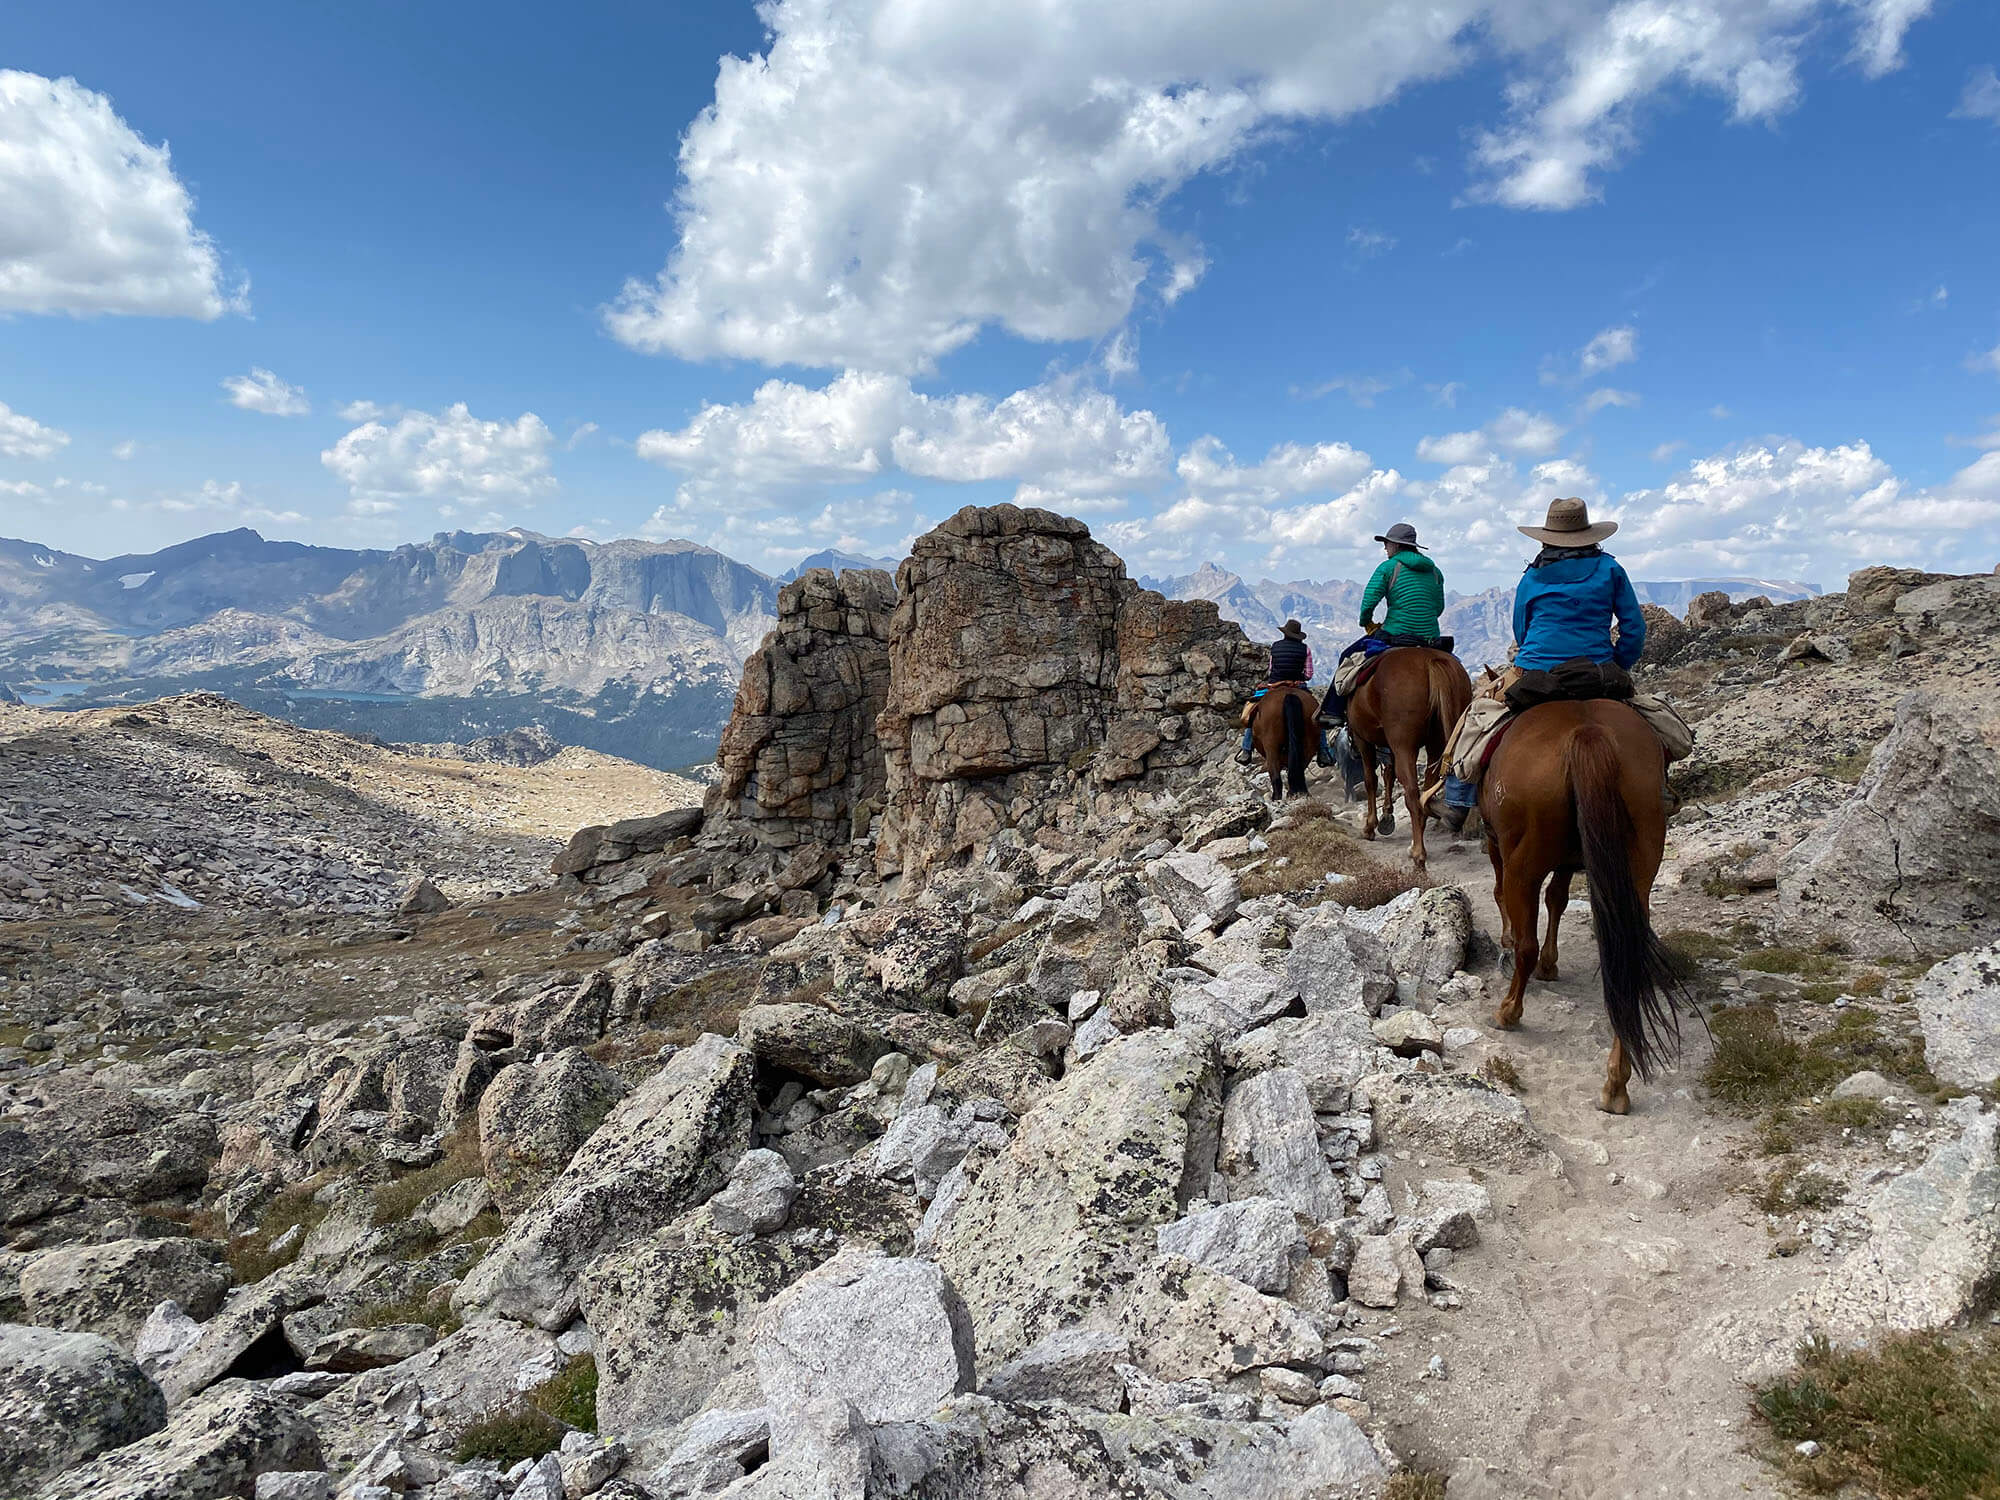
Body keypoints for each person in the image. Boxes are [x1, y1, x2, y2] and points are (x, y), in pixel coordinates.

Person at [1438, 497, 1646, 831]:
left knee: (1476, 720)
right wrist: (1618, 664)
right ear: (1588, 534)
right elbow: (1634, 627)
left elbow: (1521, 630)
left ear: (1546, 538)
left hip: (1536, 672)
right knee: (1653, 725)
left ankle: (1458, 799)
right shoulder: (1611, 569)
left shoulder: (1532, 577)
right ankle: (1658, 791)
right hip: (1596, 673)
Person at [1323, 521, 1447, 725]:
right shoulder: (1435, 572)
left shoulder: (1389, 567)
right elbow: (1438, 608)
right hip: (1430, 639)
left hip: (1396, 634)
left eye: (1387, 543)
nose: (1385, 548)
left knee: (1347, 656)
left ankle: (1332, 711)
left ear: (1397, 545)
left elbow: (1369, 600)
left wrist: (1367, 622)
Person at [1234, 619, 1336, 767]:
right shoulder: (1305, 649)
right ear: (1298, 636)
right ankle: (1323, 751)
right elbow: (1308, 674)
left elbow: (1271, 670)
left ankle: (1246, 749)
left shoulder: (1275, 647)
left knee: (1252, 713)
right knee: (1317, 716)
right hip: (1297, 685)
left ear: (1285, 633)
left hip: (1275, 685)